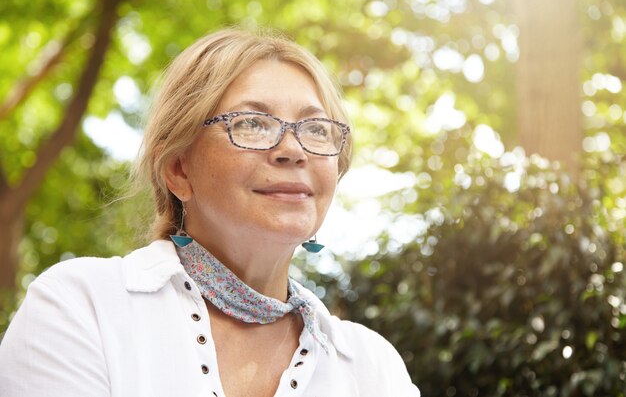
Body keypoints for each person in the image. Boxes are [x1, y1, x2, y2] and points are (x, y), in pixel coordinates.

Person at [0, 28, 419, 396]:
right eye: (253, 123)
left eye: (315, 128)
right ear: (179, 170)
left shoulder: (374, 367)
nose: (293, 150)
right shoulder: (81, 308)